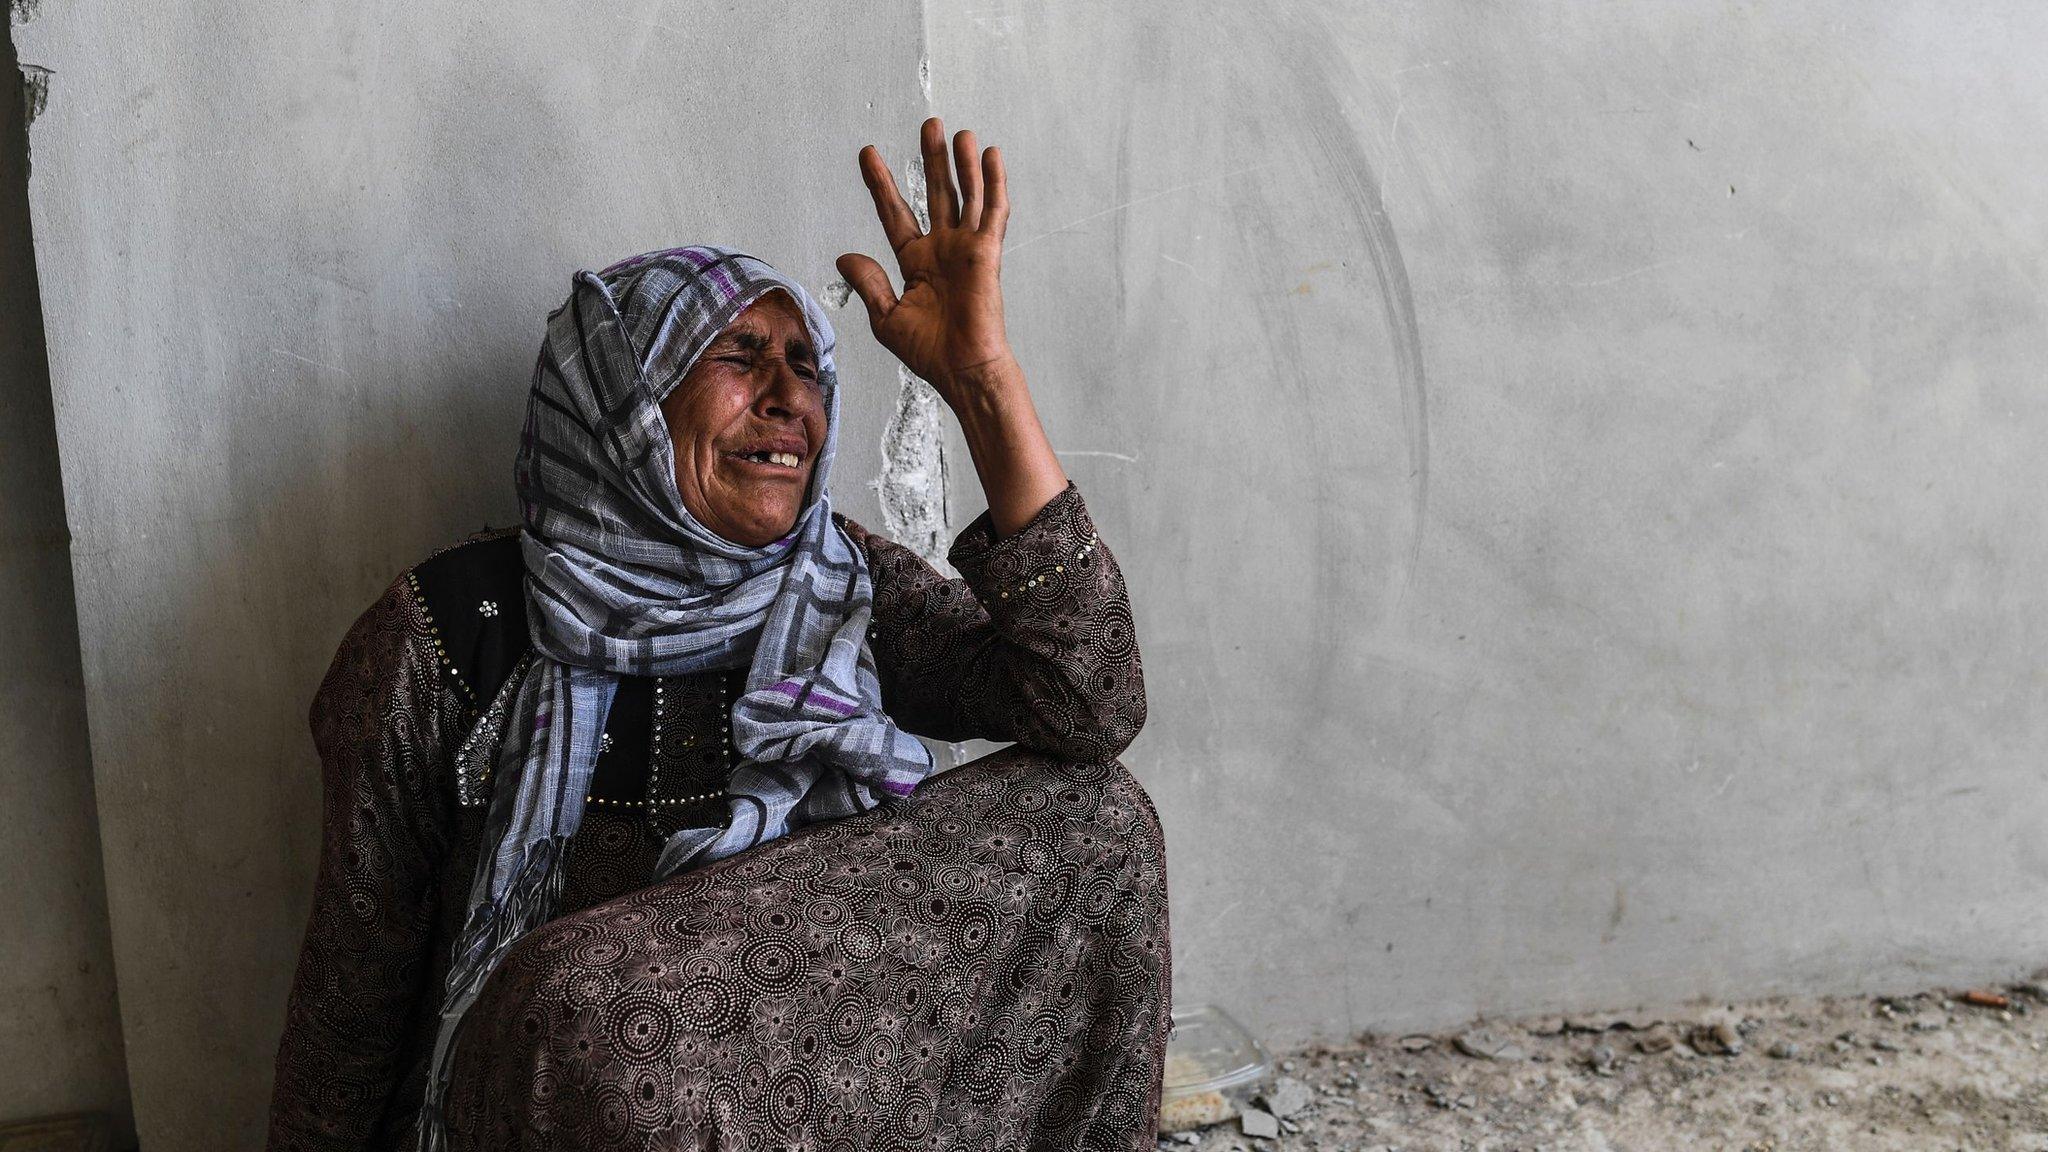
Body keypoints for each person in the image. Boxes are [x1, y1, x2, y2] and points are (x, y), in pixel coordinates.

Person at [265, 116, 1170, 1152]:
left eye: (806, 367)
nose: (792, 401)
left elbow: (1086, 704)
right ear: (619, 397)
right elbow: (356, 973)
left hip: (809, 1099)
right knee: (585, 1014)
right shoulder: (445, 631)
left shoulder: (837, 580)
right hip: (565, 1102)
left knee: (1089, 809)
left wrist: (982, 382)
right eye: (737, 357)